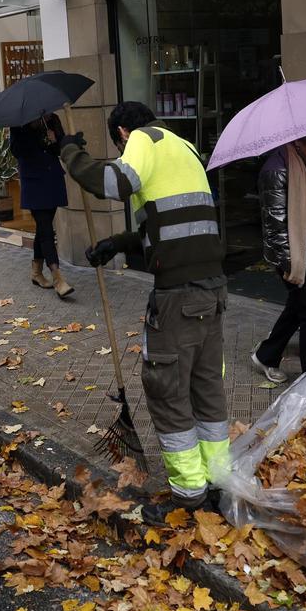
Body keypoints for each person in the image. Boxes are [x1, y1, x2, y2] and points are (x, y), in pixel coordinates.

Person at [59, 100, 228, 526]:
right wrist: (117, 243)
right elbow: (169, 229)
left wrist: (68, 151)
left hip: (178, 297)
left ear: (121, 134)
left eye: (119, 145)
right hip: (212, 291)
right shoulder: (183, 147)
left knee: (168, 389)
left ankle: (188, 497)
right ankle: (217, 484)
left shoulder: (142, 140)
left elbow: (112, 182)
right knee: (205, 389)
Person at [250, 130, 306, 382]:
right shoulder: (276, 170)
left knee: (297, 308)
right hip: (292, 257)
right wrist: (290, 264)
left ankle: (266, 355)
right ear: (298, 141)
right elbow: (275, 226)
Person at [9, 113, 72, 298]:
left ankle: (36, 272)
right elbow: (17, 151)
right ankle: (57, 277)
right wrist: (33, 132)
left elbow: (61, 149)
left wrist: (56, 140)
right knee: (46, 228)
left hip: (52, 179)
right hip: (34, 182)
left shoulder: (52, 119)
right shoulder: (19, 124)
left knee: (43, 228)